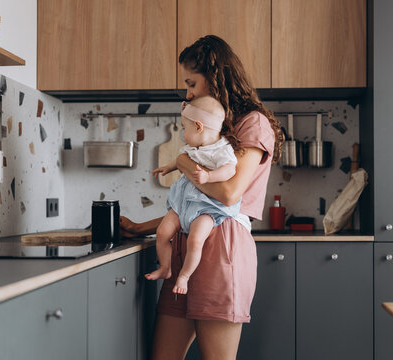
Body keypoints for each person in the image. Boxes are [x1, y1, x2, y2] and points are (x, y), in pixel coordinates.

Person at [120, 35, 284, 360]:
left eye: (191, 82)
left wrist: (182, 161)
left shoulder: (253, 124)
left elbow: (227, 194)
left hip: (224, 246)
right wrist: (141, 228)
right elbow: (193, 206)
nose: (189, 92)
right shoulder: (211, 132)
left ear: (215, 75)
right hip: (185, 244)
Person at [147, 95, 250, 296]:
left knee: (195, 241)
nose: (183, 134)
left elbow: (229, 170)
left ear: (199, 127)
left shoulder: (222, 149)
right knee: (162, 233)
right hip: (183, 203)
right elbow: (181, 160)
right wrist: (168, 168)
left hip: (206, 208)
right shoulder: (194, 147)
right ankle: (166, 267)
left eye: (185, 128)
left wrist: (209, 176)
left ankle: (184, 276)